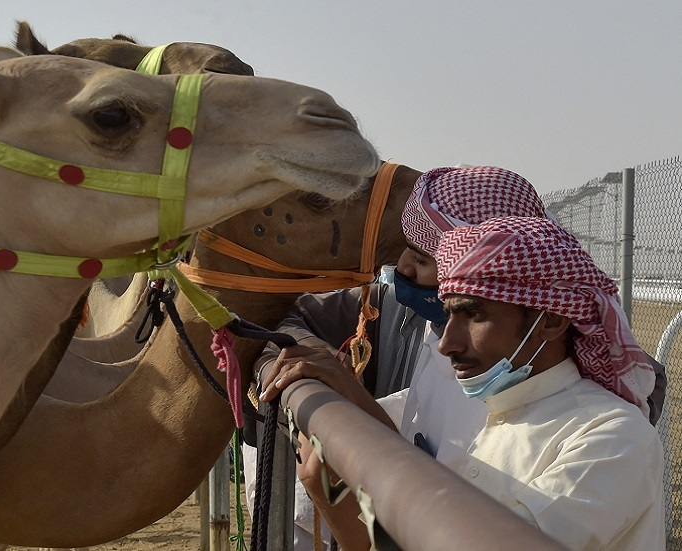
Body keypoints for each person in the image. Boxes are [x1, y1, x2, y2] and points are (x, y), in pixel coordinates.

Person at [243, 165, 667, 549]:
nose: (447, 344)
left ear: (552, 322)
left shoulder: (611, 441)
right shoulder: (488, 390)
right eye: (448, 315)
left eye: (475, 314)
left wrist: (348, 500)